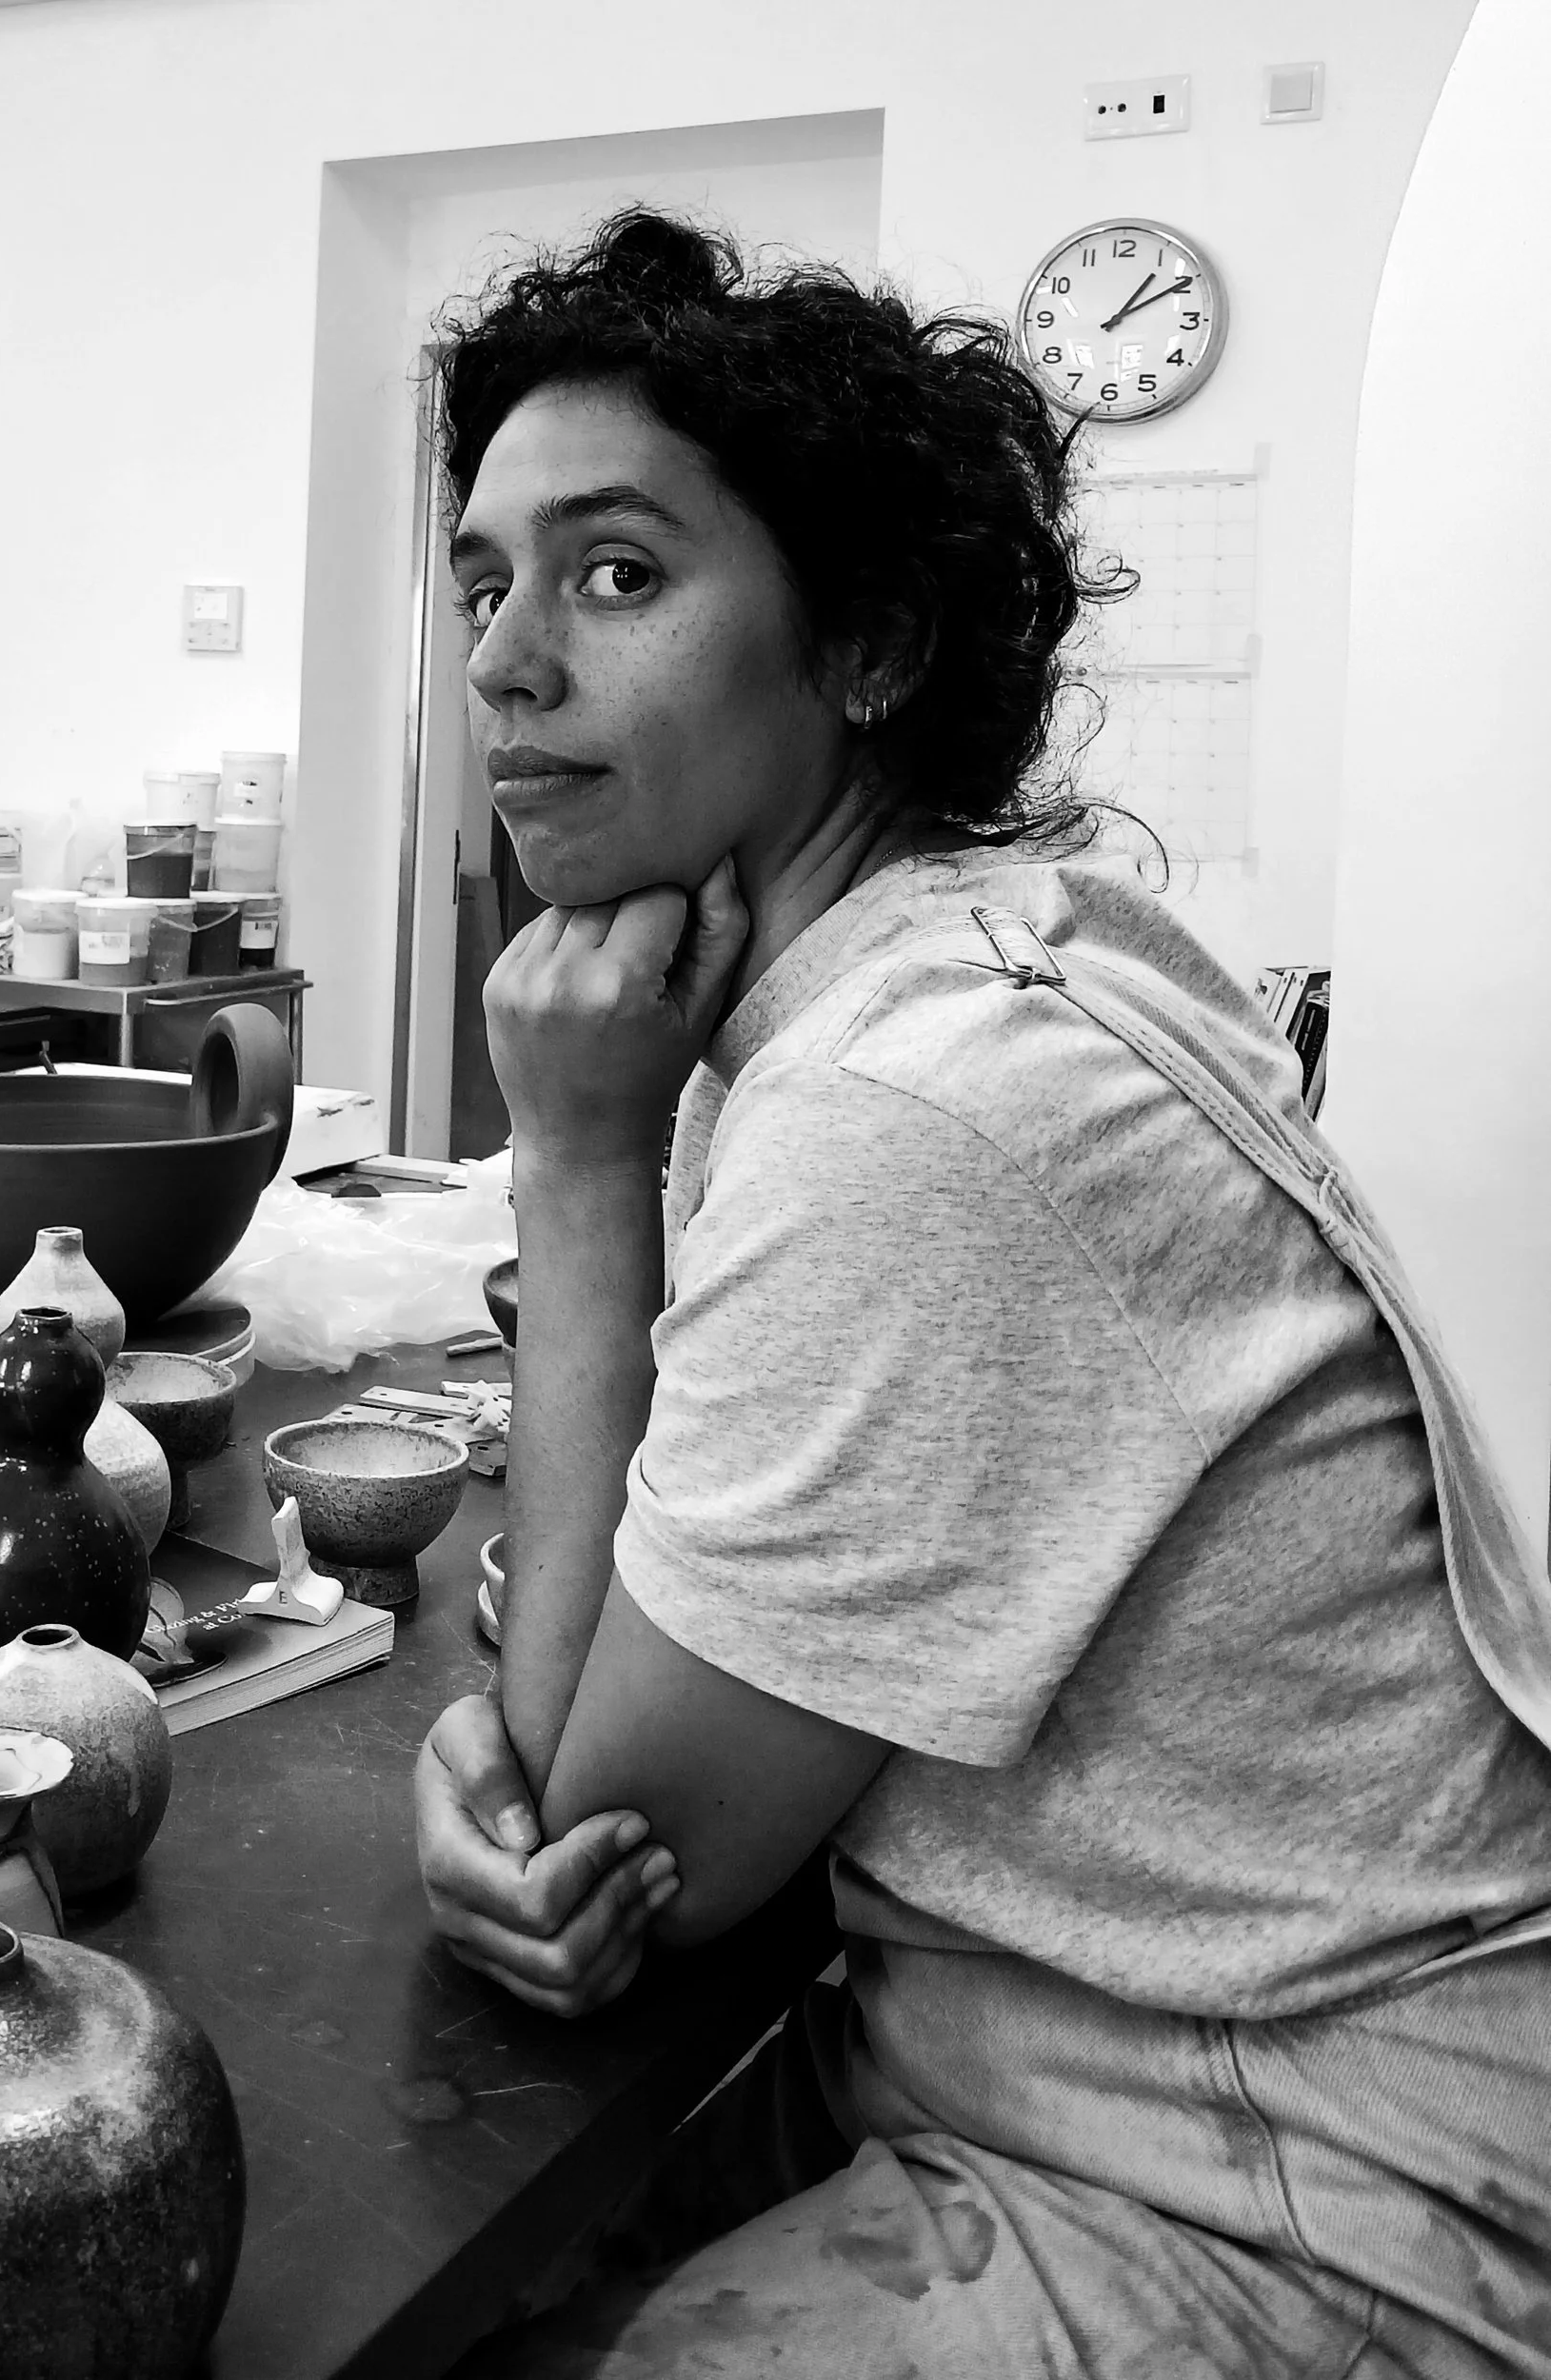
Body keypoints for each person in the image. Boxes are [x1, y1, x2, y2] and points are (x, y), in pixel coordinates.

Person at [413, 209, 1551, 2378]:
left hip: (1303, 2173)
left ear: (867, 641)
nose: (501, 660)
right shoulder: (922, 965)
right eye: (483, 579)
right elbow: (638, 1620)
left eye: (615, 573)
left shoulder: (913, 1105)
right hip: (1064, 2049)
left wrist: (565, 1167)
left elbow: (603, 1834)